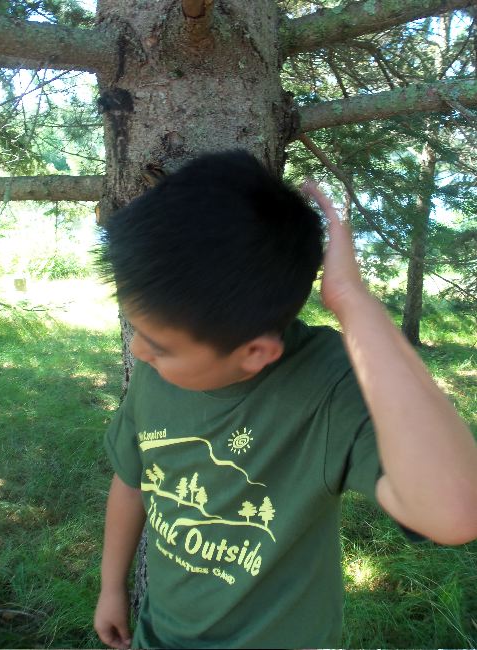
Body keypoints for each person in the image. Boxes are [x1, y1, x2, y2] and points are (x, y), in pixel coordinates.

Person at [94, 150, 477, 650]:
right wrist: (112, 588)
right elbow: (132, 481)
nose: (138, 354)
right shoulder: (156, 378)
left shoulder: (328, 385)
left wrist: (352, 300)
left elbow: (455, 511)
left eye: (160, 346)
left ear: (255, 353)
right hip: (159, 636)